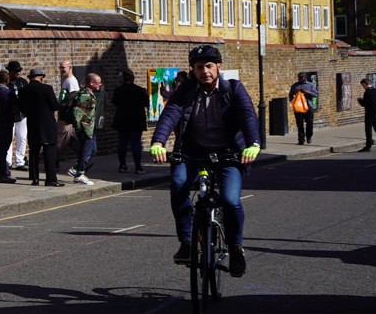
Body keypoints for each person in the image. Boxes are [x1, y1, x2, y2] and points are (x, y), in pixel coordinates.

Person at [151, 44, 262, 277]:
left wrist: (253, 144)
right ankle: (187, 241)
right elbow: (171, 114)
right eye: (199, 67)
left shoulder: (233, 88)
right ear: (193, 69)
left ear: (218, 66)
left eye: (209, 66)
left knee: (231, 200)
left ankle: (235, 247)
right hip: (191, 152)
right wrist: (159, 141)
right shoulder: (186, 90)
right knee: (179, 186)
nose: (205, 71)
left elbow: (247, 115)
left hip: (228, 153)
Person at [18, 69, 64, 187]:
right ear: (41, 78)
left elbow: (22, 108)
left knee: (33, 152)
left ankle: (35, 178)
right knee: (49, 152)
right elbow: (55, 106)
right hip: (47, 125)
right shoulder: (46, 89)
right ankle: (51, 179)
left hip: (32, 124)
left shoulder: (23, 90)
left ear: (30, 78)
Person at [64, 73, 105, 185]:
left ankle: (76, 169)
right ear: (91, 83)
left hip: (90, 128)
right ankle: (80, 174)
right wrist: (79, 128)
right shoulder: (85, 95)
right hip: (85, 129)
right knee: (87, 151)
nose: (100, 84)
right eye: (98, 82)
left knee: (92, 150)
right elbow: (77, 113)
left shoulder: (90, 94)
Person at [110, 69, 151, 174]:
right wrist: (146, 95)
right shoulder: (140, 90)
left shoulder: (118, 90)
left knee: (122, 143)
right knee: (135, 143)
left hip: (122, 120)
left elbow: (115, 102)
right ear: (133, 78)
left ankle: (122, 166)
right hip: (136, 121)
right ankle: (138, 167)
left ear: (123, 79)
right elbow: (146, 104)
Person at [0, 70, 21, 183]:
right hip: (5, 123)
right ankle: (3, 174)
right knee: (3, 150)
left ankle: (4, 171)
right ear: (7, 80)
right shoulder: (6, 92)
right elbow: (16, 104)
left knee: (0, 149)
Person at [5, 61, 31, 172]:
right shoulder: (6, 83)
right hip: (10, 114)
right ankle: (8, 162)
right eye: (15, 71)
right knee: (9, 139)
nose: (18, 73)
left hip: (22, 114)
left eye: (19, 71)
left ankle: (20, 161)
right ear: (9, 71)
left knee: (22, 137)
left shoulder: (23, 82)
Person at [290, 72, 319, 145]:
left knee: (309, 122)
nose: (300, 78)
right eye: (299, 77)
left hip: (308, 107)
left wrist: (307, 92)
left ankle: (309, 136)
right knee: (299, 124)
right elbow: (290, 95)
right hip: (298, 107)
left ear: (305, 77)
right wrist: (293, 98)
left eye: (302, 77)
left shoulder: (310, 85)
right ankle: (301, 140)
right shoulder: (294, 86)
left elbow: (316, 94)